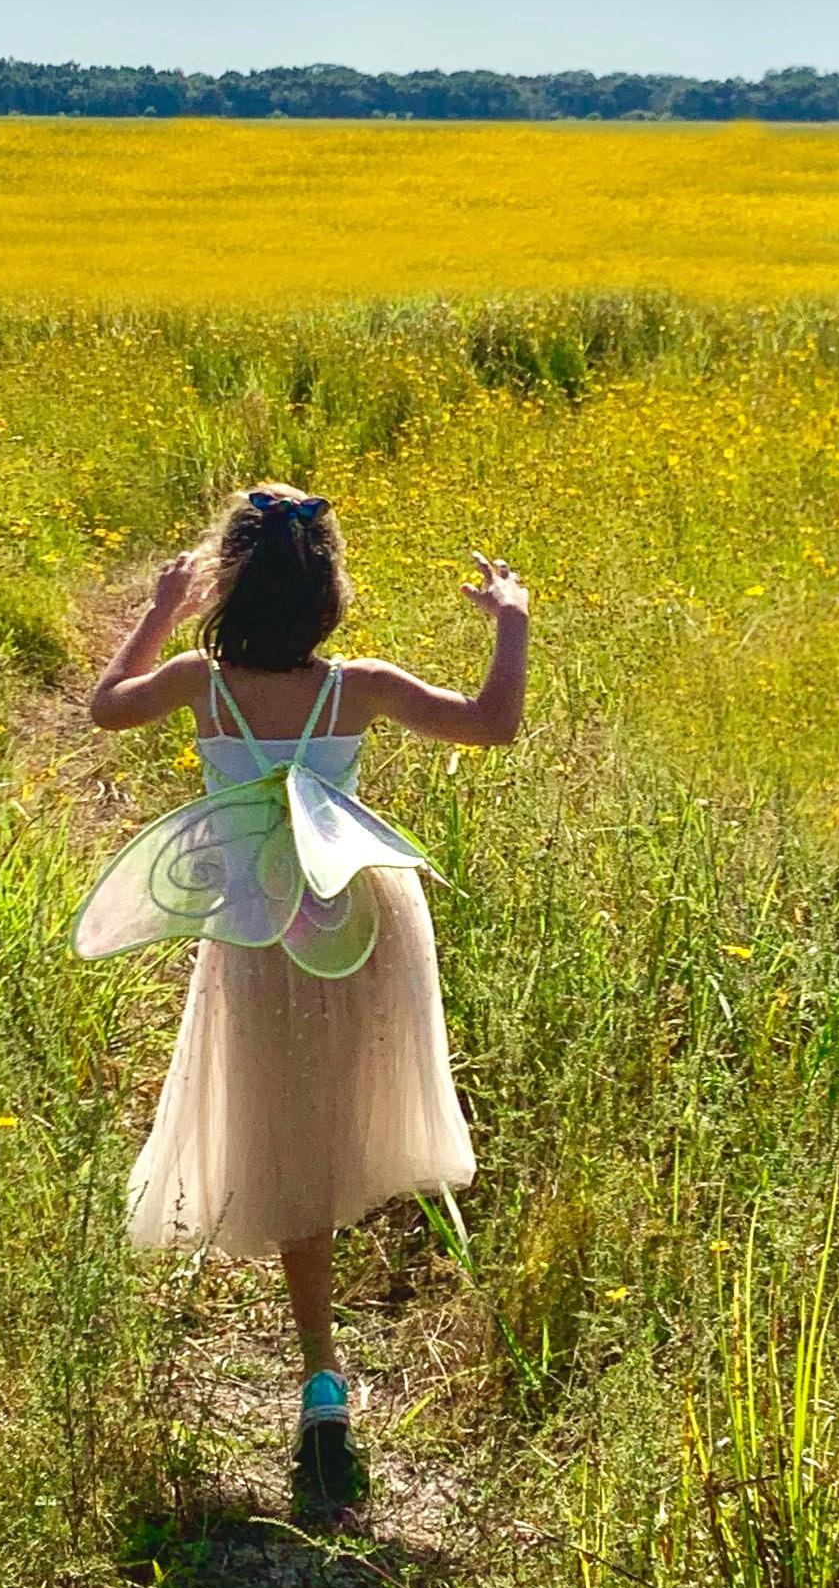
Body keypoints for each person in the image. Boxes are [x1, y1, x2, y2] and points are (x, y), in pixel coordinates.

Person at [80, 482, 529, 1504]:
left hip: (258, 933)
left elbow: (106, 708)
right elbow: (493, 722)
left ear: (227, 581)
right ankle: (334, 1359)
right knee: (340, 1112)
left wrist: (155, 612)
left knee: (286, 1124)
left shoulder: (201, 682)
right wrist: (511, 620)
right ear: (328, 588)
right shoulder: (357, 686)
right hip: (364, 922)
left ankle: (320, 1373)